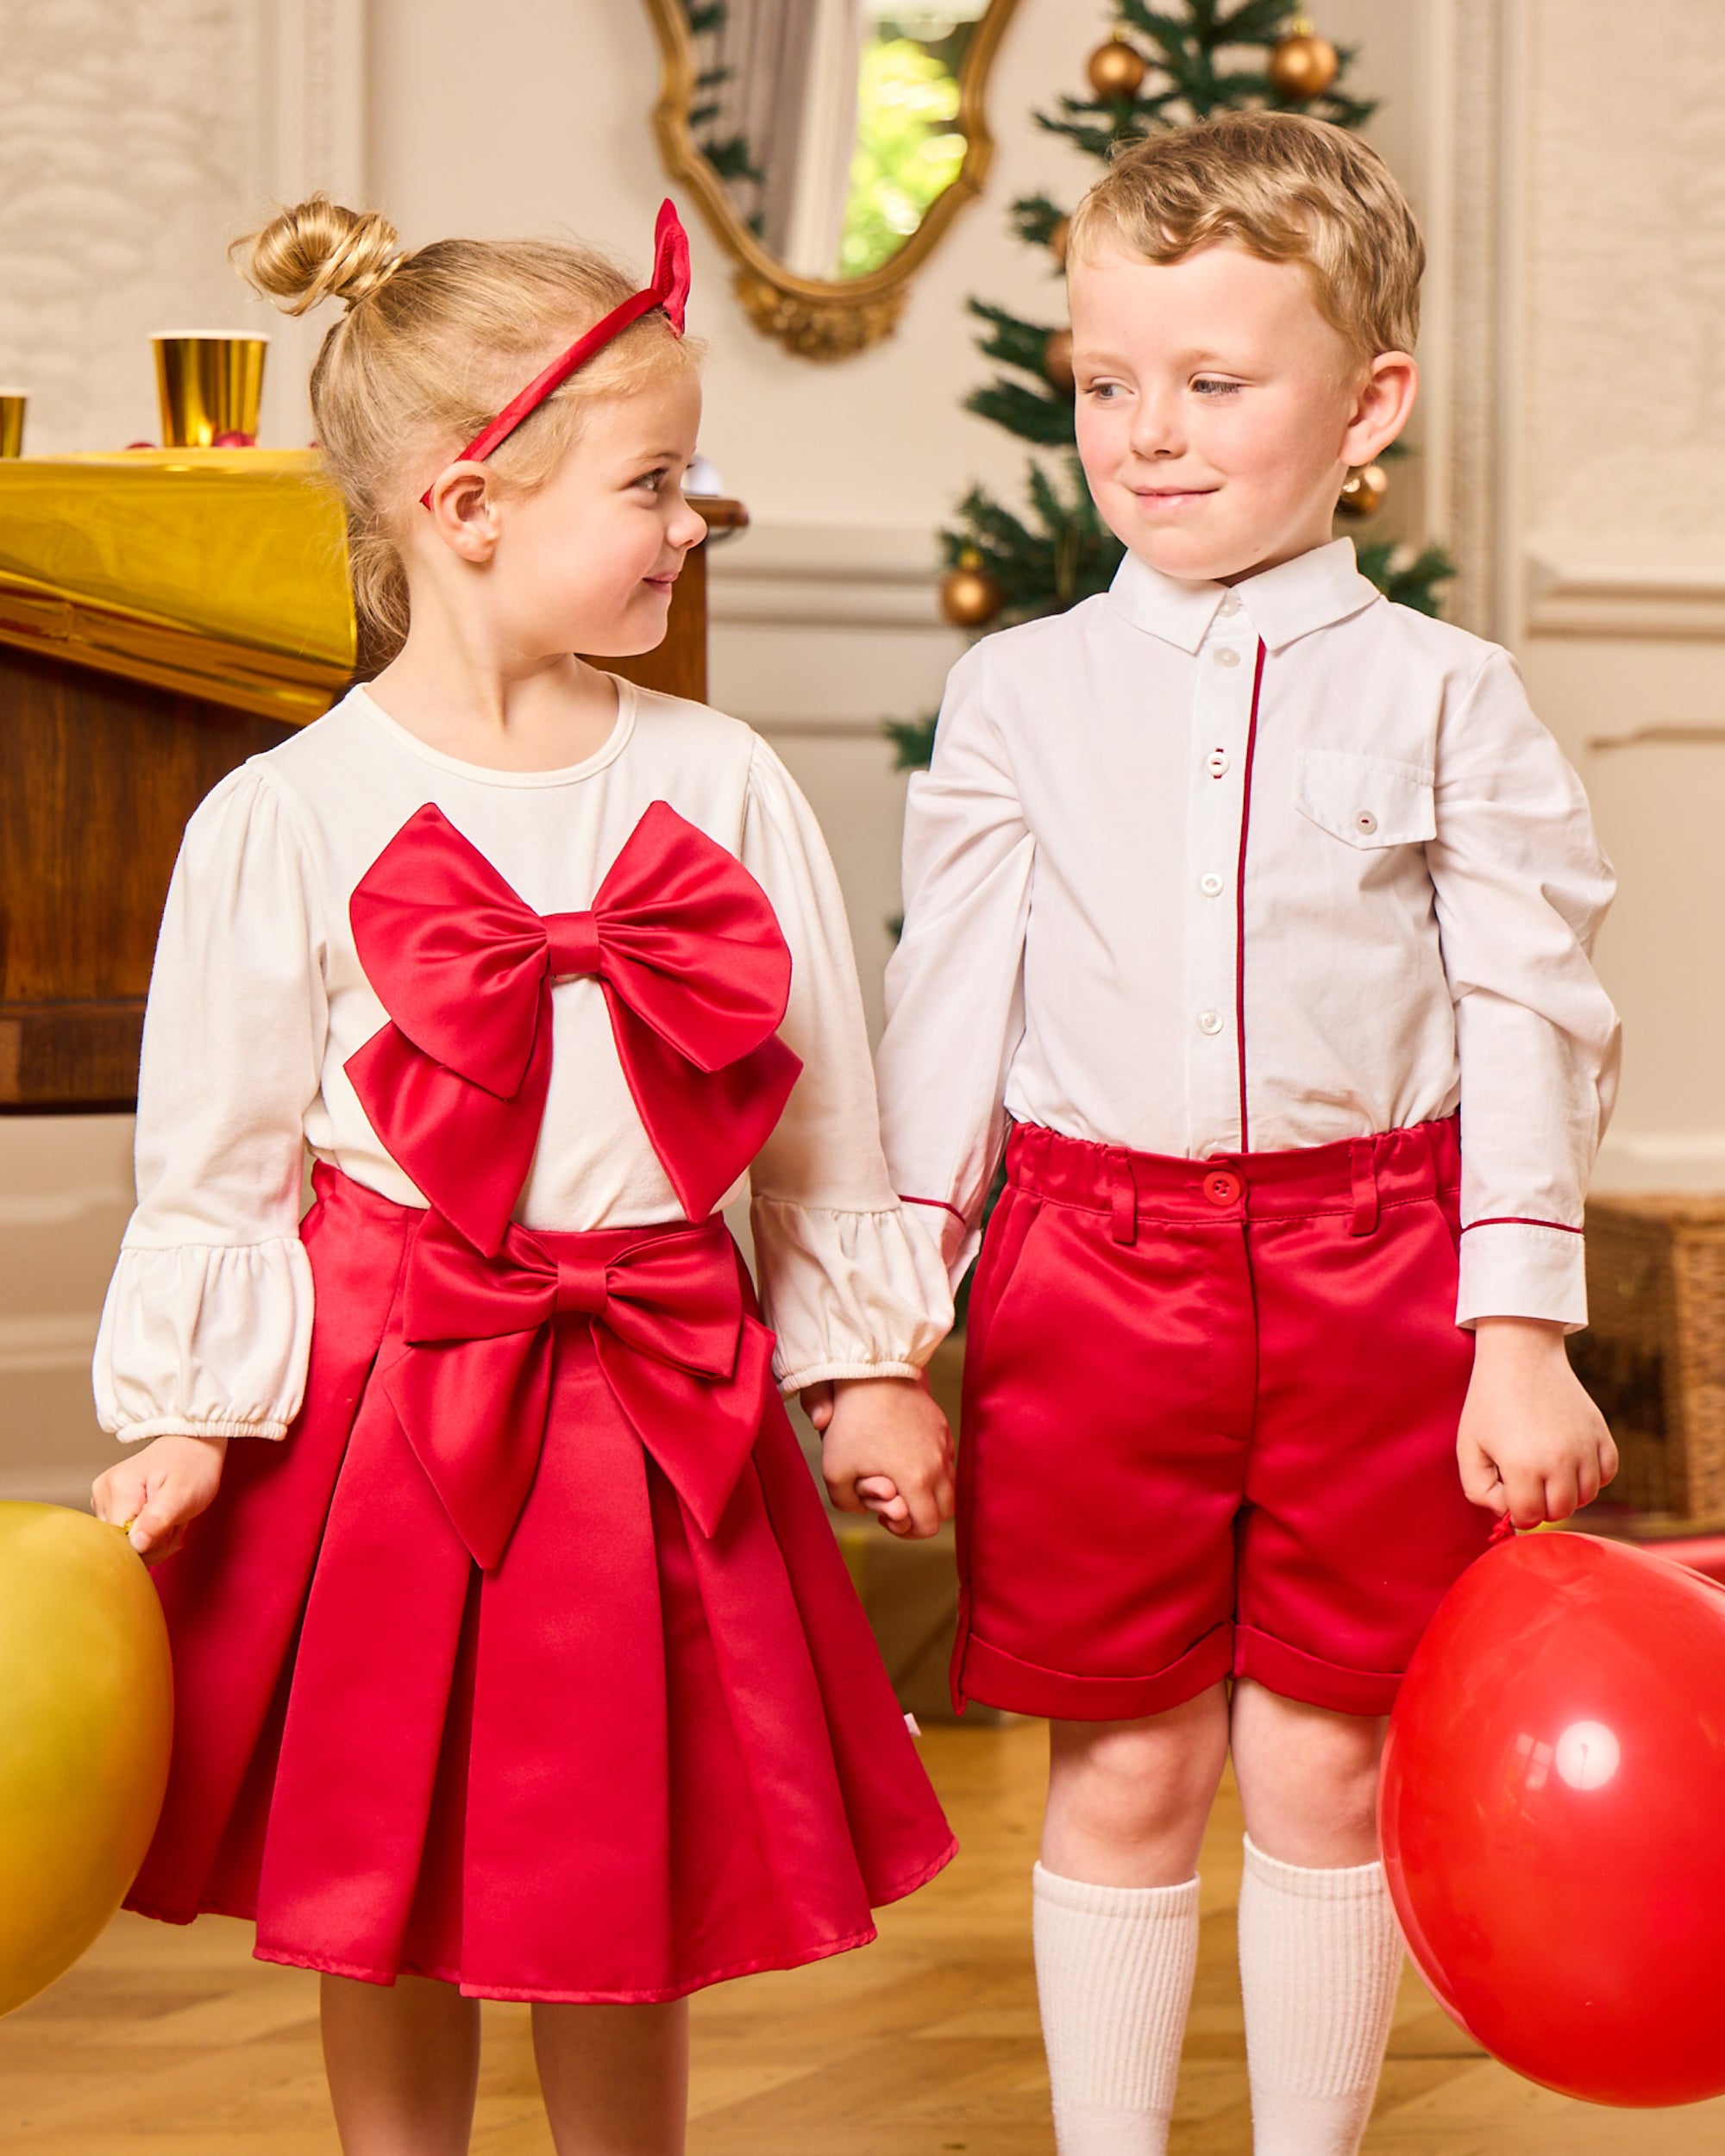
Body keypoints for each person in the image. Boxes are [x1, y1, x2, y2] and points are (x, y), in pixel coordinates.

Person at [90, 193, 957, 2156]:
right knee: (384, 1879)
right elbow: (217, 1157)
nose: (690, 521)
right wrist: (188, 1413)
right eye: (654, 483)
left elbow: (822, 1118)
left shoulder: (718, 780)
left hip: (665, 1403)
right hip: (393, 1412)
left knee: (623, 1879)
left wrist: (862, 1366)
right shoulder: (287, 814)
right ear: (465, 505)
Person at [874, 111, 1622, 2156]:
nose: (1147, 435)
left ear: (1366, 406)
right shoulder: (1017, 693)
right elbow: (947, 1023)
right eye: (1105, 382)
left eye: (1213, 383)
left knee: (1326, 1761)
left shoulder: (1451, 696)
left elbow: (1529, 1009)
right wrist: (880, 1339)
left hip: (1379, 1270)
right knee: (1120, 1766)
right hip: (1089, 1281)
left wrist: (1519, 1331)